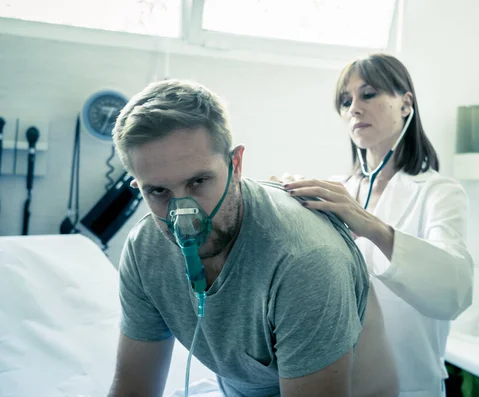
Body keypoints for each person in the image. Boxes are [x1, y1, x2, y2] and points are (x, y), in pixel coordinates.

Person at [107, 79, 398, 397]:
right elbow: (133, 389)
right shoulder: (145, 249)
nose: (184, 215)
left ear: (235, 164)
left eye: (199, 181)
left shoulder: (304, 260)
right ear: (139, 188)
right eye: (159, 191)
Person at [276, 53, 474, 397]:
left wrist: (371, 225)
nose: (354, 108)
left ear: (405, 104)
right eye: (345, 100)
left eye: (368, 94)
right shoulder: (336, 190)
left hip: (411, 387)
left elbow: (454, 294)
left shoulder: (439, 193)